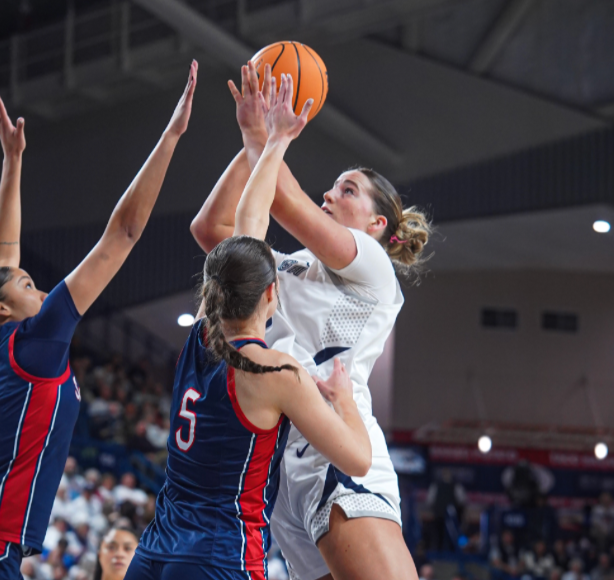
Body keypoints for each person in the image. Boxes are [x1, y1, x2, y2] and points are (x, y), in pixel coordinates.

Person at [0, 61, 197, 580]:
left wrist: (12, 160)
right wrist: (172, 134)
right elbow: (125, 232)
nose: (39, 287)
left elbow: (2, 259)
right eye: (27, 286)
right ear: (0, 310)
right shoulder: (32, 343)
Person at [190, 62, 431, 580]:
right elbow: (211, 229)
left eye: (347, 191)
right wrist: (252, 139)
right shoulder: (294, 265)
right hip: (280, 460)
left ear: (377, 223)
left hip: (336, 445)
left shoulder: (371, 264)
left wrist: (266, 136)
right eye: (333, 187)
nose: (329, 195)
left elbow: (287, 201)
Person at [129, 74, 372, 580]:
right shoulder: (277, 371)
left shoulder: (200, 338)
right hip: (221, 555)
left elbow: (245, 235)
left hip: (156, 551)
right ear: (270, 294)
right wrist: (344, 399)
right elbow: (358, 459)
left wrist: (261, 141)